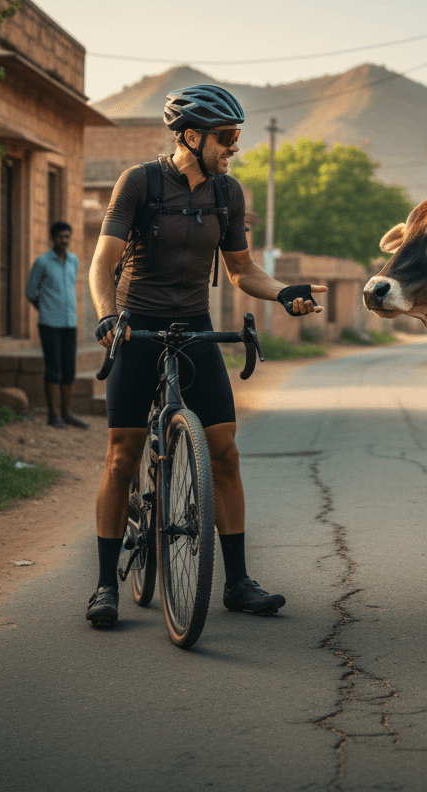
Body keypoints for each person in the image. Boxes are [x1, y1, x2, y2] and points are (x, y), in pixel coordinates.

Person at [85, 84, 326, 627]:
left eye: (237, 136)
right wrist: (107, 317)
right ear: (190, 136)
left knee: (224, 451)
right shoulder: (140, 183)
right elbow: (102, 264)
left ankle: (238, 582)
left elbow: (242, 270)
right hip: (137, 325)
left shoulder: (228, 193)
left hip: (194, 326)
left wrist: (284, 292)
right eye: (226, 136)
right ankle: (105, 587)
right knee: (121, 456)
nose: (233, 146)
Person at [26, 221, 89, 429]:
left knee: (69, 370)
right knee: (53, 369)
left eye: (67, 236)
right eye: (61, 236)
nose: (65, 240)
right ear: (52, 238)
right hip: (49, 324)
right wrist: (45, 308)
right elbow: (30, 292)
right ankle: (53, 415)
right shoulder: (42, 262)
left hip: (70, 323)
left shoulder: (74, 261)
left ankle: (66, 414)